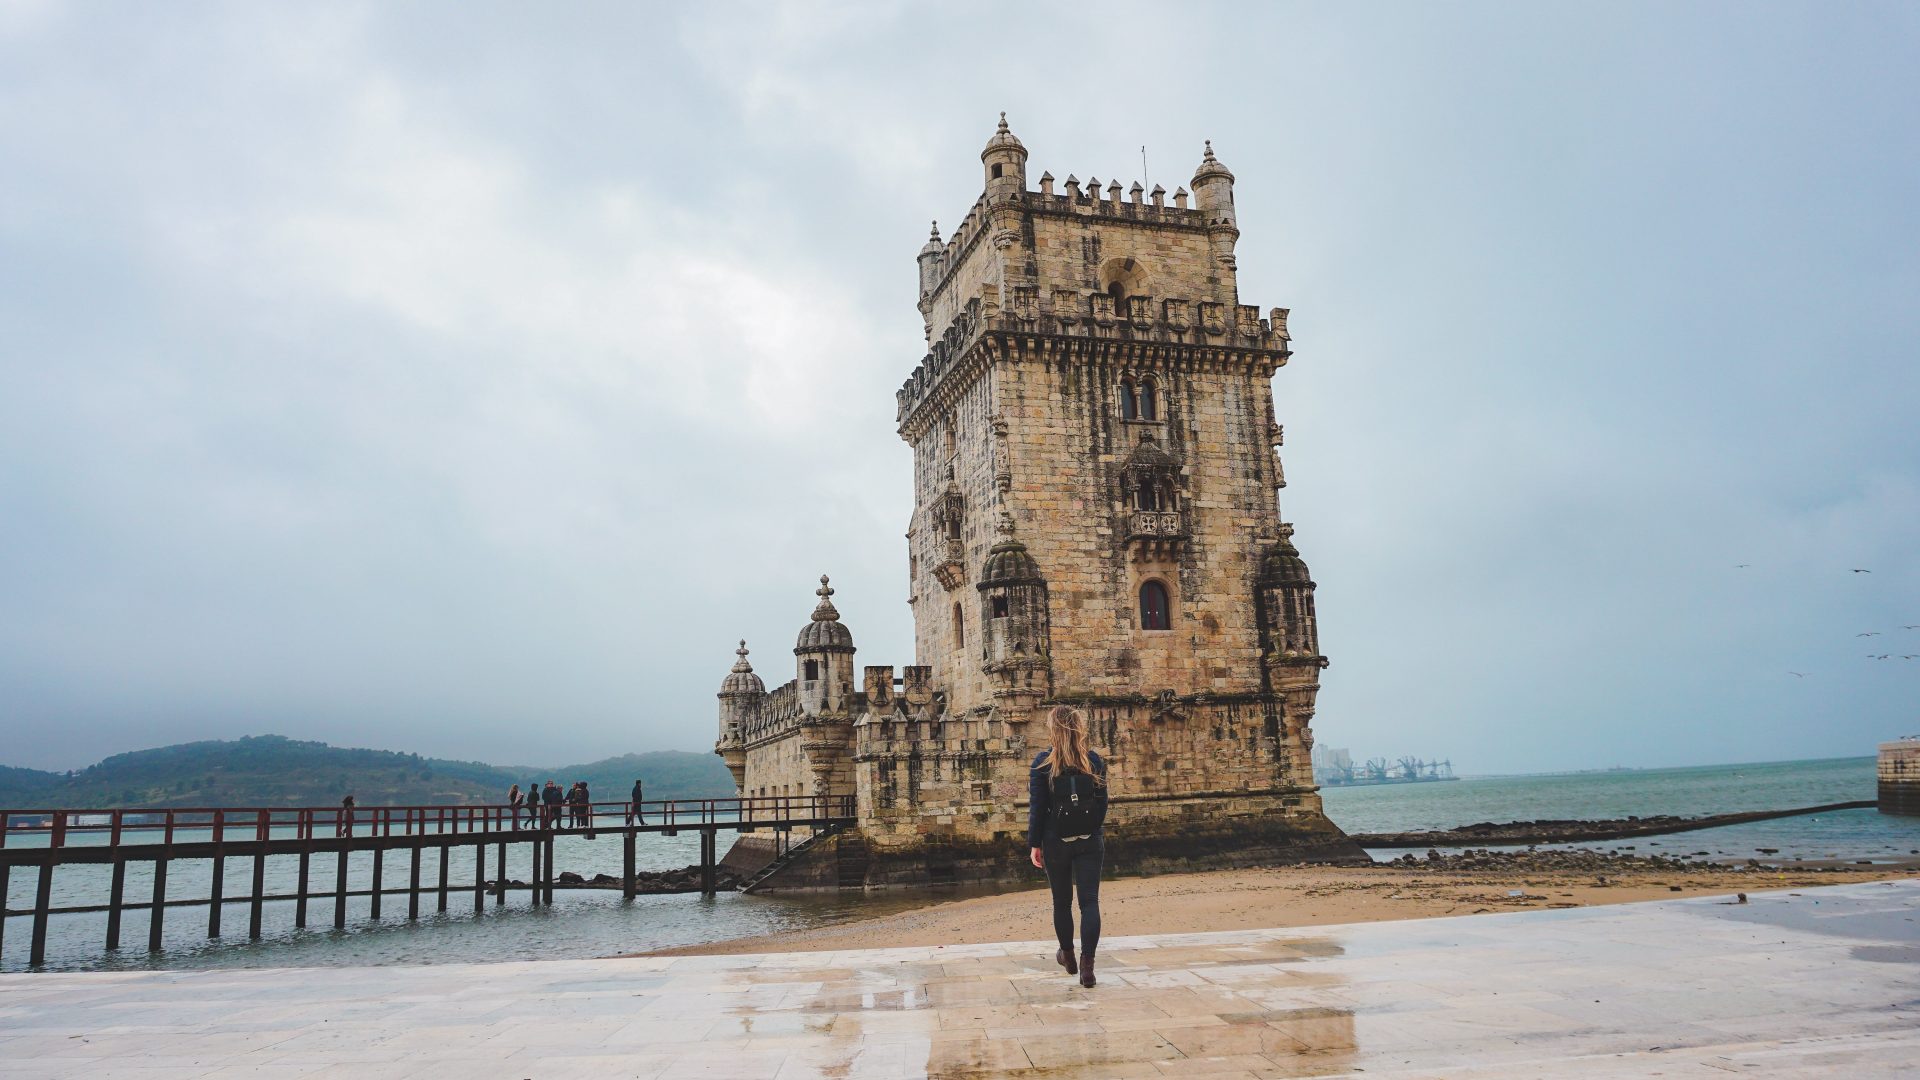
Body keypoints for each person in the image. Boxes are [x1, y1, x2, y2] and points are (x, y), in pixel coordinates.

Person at [1029, 705, 1108, 988]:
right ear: (1079, 728)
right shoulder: (1094, 761)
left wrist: (1035, 844)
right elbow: (1102, 804)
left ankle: (1068, 955)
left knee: (1061, 902)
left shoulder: (1042, 764)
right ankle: (1088, 967)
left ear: (1053, 729)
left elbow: (1037, 809)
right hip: (1090, 840)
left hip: (1055, 841)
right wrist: (1090, 829)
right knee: (1089, 903)